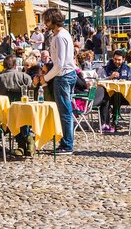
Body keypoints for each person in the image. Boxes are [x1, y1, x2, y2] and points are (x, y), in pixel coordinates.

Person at [38, 8, 77, 155]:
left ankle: (67, 144)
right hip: (68, 74)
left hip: (63, 76)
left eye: (46, 21)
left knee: (64, 111)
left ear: (52, 21)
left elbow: (60, 64)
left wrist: (45, 78)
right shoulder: (62, 34)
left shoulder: (60, 37)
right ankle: (66, 141)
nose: (45, 24)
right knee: (65, 110)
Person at [98, 50, 131, 132]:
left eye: (119, 60)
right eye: (115, 59)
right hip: (109, 94)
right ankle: (106, 124)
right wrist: (110, 77)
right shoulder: (106, 68)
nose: (116, 61)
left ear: (123, 59)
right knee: (105, 100)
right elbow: (99, 81)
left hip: (124, 95)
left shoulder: (127, 69)